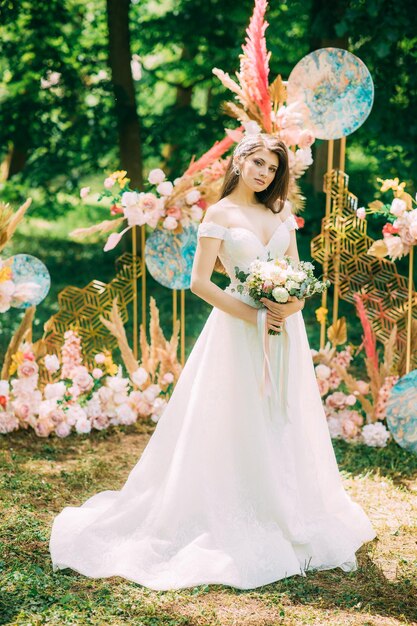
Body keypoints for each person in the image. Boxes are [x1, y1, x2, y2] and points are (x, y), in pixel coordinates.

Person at [49, 132, 376, 591]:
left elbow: (300, 275)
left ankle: (288, 504)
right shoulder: (218, 214)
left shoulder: (281, 212)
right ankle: (234, 505)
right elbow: (200, 281)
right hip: (238, 330)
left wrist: (288, 308)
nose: (265, 173)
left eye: (273, 168)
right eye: (258, 163)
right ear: (240, 161)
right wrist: (254, 315)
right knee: (237, 416)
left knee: (282, 413)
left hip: (284, 331)